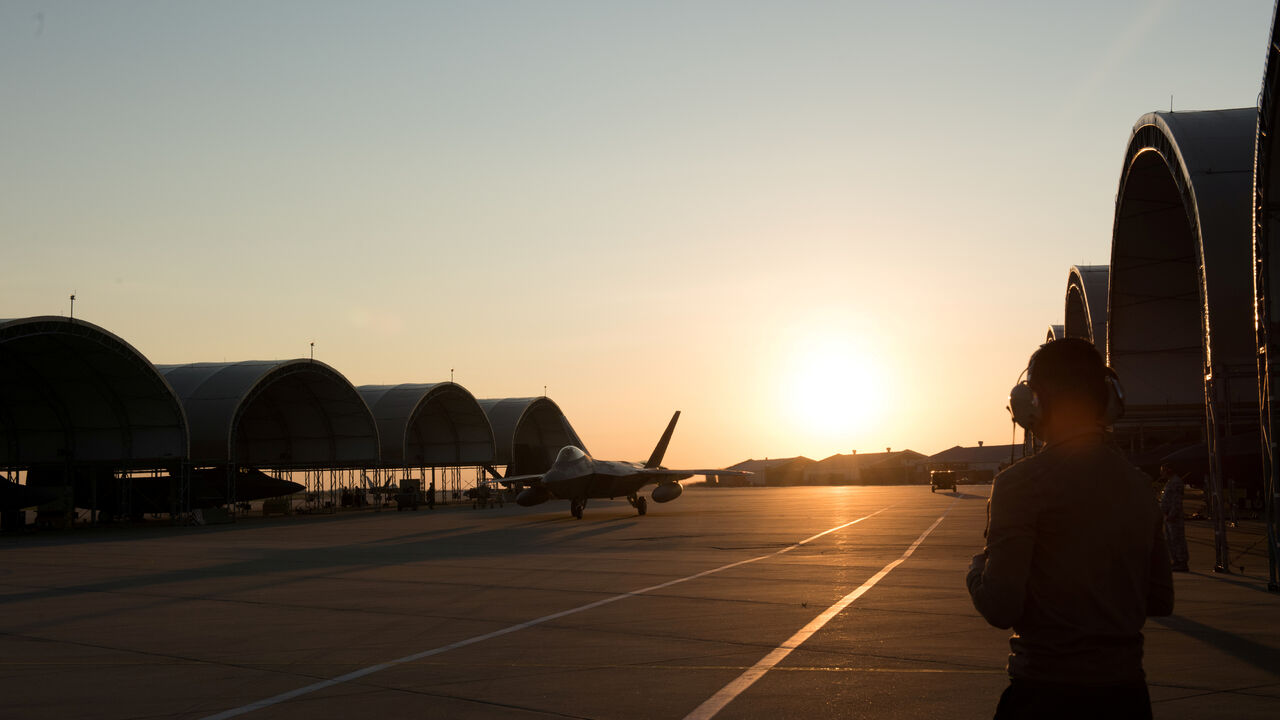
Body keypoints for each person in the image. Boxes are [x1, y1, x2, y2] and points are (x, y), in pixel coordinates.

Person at [967, 338, 1174, 719]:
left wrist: (977, 568)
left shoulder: (1019, 485)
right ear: (1108, 402)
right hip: (1127, 698)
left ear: (1034, 403)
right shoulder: (1139, 484)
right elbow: (1161, 599)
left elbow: (1000, 607)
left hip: (1045, 695)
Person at [1158, 465, 1189, 571]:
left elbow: (1176, 501)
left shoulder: (1176, 482)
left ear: (1169, 470)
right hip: (1168, 517)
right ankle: (1176, 561)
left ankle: (1182, 562)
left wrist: (1172, 514)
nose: (1161, 473)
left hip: (1174, 517)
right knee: (1171, 540)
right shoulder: (1170, 482)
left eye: (1163, 471)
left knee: (1177, 539)